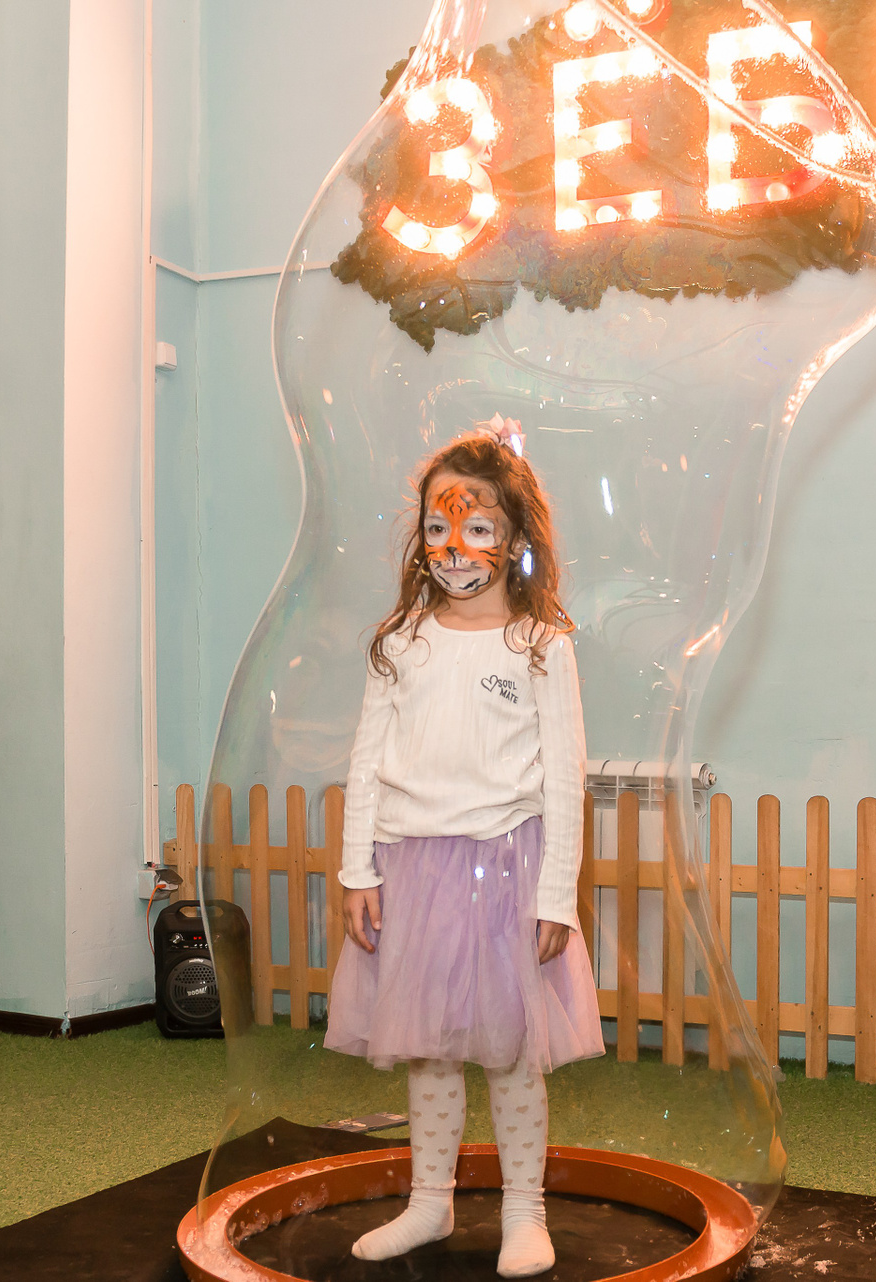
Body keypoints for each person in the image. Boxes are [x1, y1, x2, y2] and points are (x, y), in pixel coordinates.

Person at [326, 426, 603, 1276]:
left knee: (512, 1050)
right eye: (439, 527)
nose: (455, 548)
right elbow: (366, 760)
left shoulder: (541, 646)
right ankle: (430, 1204)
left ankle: (525, 1211)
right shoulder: (400, 643)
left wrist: (557, 894)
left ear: (514, 538)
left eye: (478, 528)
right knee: (431, 1047)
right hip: (413, 869)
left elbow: (565, 778)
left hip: (509, 868)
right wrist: (357, 869)